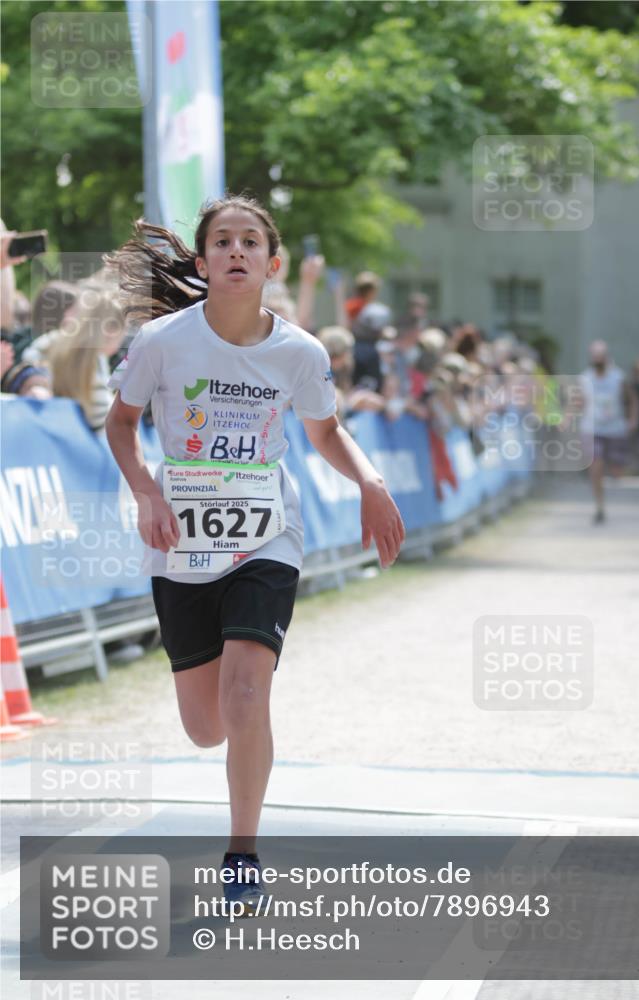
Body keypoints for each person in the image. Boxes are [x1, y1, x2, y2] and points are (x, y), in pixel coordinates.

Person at [104, 194, 405, 913]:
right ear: (204, 261)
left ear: (271, 264)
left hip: (267, 537)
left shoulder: (298, 351)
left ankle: (243, 852)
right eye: (222, 242)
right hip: (184, 544)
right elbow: (120, 425)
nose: (235, 251)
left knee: (247, 693)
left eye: (249, 242)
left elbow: (327, 433)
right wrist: (146, 490)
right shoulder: (163, 343)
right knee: (206, 726)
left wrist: (370, 480)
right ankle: (231, 761)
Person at [48, 288, 126, 431]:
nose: (118, 347)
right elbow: (101, 421)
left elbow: (30, 358)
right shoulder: (94, 360)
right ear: (110, 331)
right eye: (120, 340)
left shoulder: (56, 342)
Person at [579, 340, 639, 524]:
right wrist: (567, 418)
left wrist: (632, 420)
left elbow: (633, 399)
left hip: (615, 429)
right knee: (596, 466)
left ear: (606, 356)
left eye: (600, 355)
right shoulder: (584, 378)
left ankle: (611, 488)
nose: (597, 358)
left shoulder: (618, 377)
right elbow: (579, 402)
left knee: (617, 471)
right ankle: (600, 505)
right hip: (592, 428)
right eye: (594, 355)